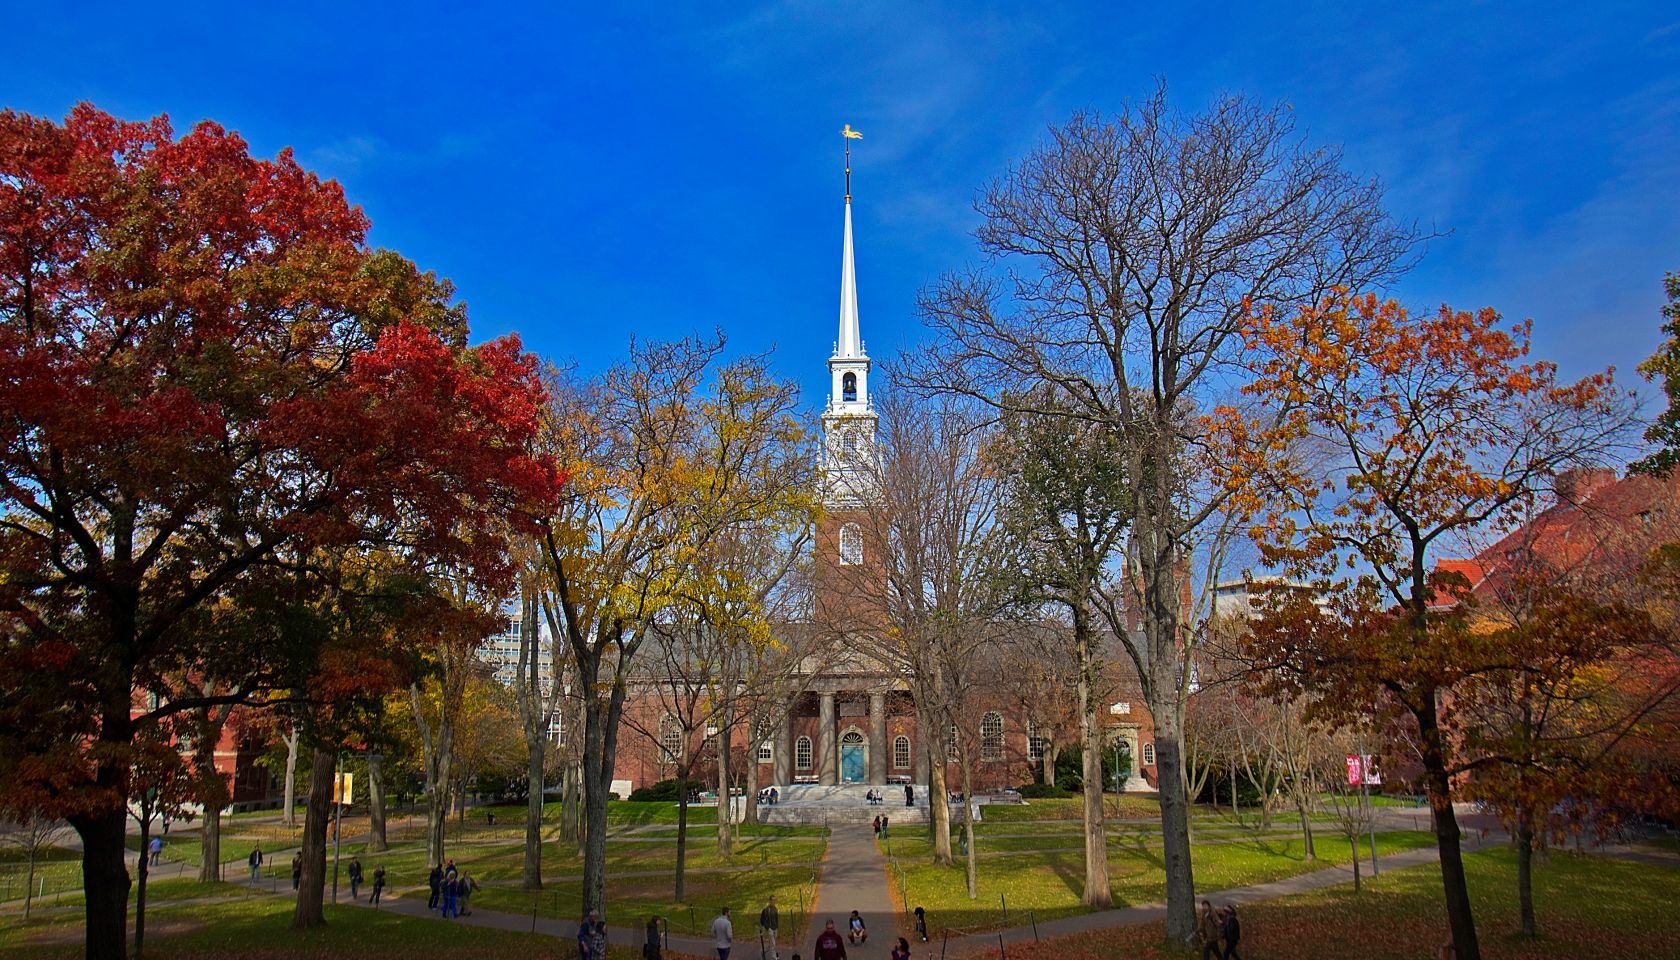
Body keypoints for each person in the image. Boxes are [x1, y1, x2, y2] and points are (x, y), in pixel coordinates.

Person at [760, 895, 781, 960]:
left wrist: (777, 927)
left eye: (775, 900)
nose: (774, 901)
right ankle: (774, 957)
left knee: (771, 944)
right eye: (773, 900)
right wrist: (768, 928)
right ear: (770, 901)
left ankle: (763, 951)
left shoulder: (775, 909)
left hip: (775, 929)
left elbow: (776, 919)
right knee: (773, 944)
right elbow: (762, 920)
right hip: (770, 929)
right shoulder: (766, 910)